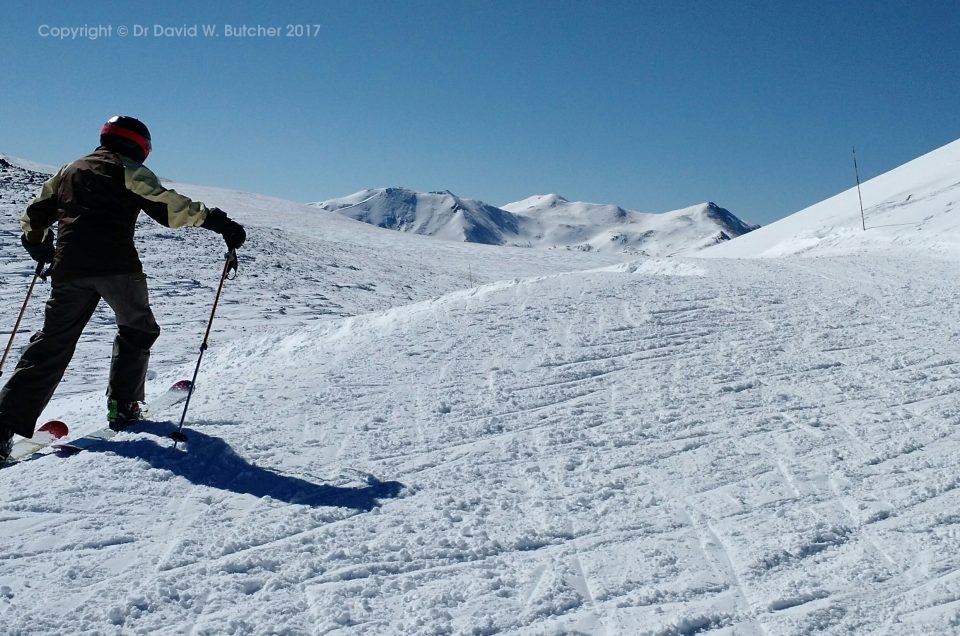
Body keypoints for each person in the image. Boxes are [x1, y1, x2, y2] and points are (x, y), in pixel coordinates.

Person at [0, 115, 246, 459]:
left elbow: (35, 213)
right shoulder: (127, 169)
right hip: (117, 267)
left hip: (68, 268)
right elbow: (169, 207)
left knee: (51, 344)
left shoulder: (70, 169)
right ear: (140, 146)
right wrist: (220, 222)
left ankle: (2, 428)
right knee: (137, 329)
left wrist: (37, 242)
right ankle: (124, 406)